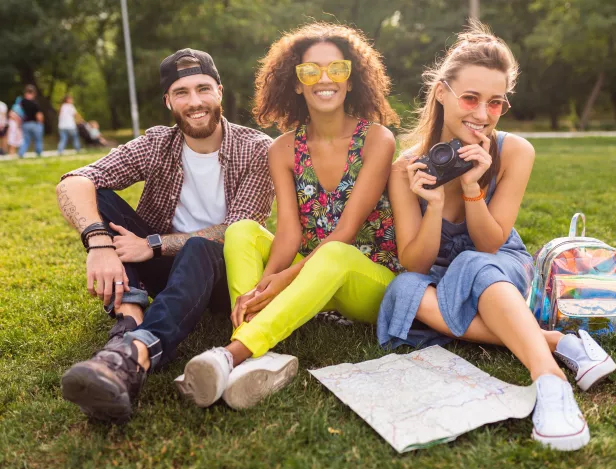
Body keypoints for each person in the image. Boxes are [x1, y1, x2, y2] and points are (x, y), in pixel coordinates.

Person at [377, 21, 616, 451]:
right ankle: (560, 343)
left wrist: (472, 189)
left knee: (473, 262)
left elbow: (489, 243)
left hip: (499, 264)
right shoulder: (405, 167)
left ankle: (549, 379)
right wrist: (431, 206)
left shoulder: (515, 151)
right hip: (437, 275)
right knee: (403, 289)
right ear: (442, 93)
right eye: (470, 98)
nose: (482, 115)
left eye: (496, 103)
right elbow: (415, 263)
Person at [175, 23, 402, 411]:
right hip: (312, 273)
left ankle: (231, 355)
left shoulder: (377, 139)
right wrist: (262, 287)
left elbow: (345, 232)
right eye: (310, 71)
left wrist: (281, 280)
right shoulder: (282, 149)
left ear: (352, 80)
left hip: (369, 279)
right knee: (243, 230)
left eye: (337, 69)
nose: (324, 79)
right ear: (296, 84)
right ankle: (254, 354)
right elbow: (289, 236)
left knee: (334, 253)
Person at [56, 48, 275, 423]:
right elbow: (74, 182)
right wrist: (99, 242)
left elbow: (237, 227)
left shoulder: (257, 149)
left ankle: (134, 355)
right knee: (101, 198)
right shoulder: (157, 143)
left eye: (203, 89)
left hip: (224, 274)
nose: (195, 102)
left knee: (201, 246)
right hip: (163, 265)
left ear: (219, 91)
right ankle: (130, 317)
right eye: (181, 93)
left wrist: (153, 244)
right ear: (168, 101)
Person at [18, 85, 44, 158]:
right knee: (38, 140)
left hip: (25, 124)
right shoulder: (34, 103)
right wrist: (41, 124)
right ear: (33, 93)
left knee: (26, 140)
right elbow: (39, 115)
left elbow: (17, 112)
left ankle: (21, 153)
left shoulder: (22, 102)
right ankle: (38, 154)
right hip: (34, 123)